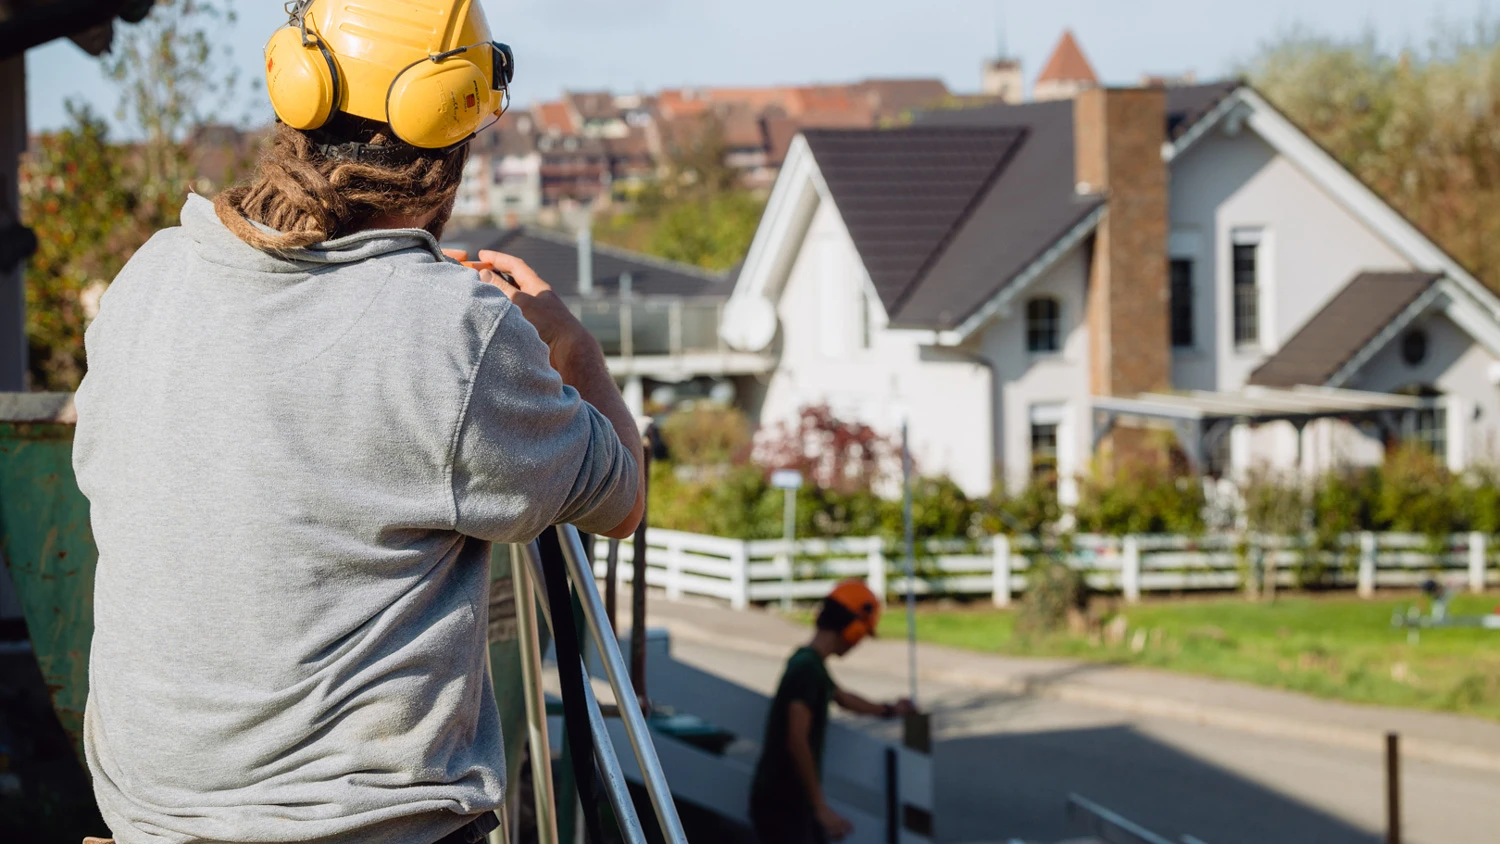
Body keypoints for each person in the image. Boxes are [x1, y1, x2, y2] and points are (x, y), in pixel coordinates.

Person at [71, 2, 643, 842]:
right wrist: (566, 339)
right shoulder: (454, 332)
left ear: (293, 88)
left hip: (145, 825)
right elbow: (622, 498)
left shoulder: (146, 281)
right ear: (453, 137)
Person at [750, 580, 916, 843]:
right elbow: (797, 739)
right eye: (862, 634)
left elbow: (843, 698)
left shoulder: (810, 663)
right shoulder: (807, 669)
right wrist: (820, 808)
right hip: (784, 801)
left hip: (787, 799)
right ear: (852, 630)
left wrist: (889, 710)